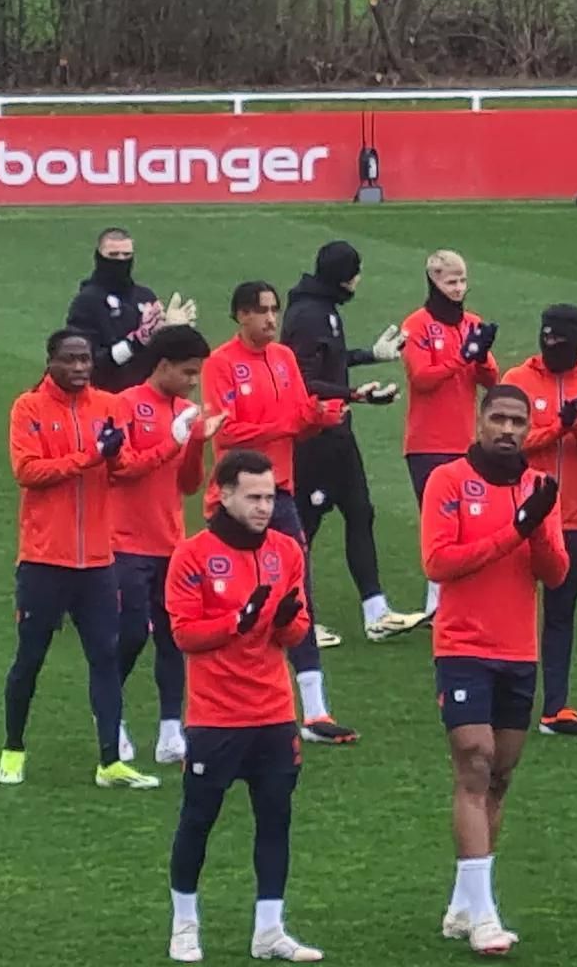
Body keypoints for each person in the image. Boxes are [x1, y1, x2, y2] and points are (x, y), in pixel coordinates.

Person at [421, 385, 568, 954]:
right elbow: (439, 562)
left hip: (517, 651)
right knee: (475, 762)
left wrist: (537, 528)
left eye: (517, 421)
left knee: (500, 775)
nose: (507, 430)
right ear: (480, 421)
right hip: (463, 646)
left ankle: (463, 903)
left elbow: (555, 575)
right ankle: (485, 914)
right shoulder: (449, 482)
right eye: (498, 418)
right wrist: (515, 530)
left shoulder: (536, 488)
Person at [165, 449, 323, 964]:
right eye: (253, 497)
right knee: (199, 819)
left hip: (275, 712)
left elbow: (296, 633)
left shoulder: (286, 550)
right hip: (216, 717)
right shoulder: (191, 555)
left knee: (275, 820)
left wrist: (285, 619)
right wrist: (239, 620)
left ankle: (270, 929)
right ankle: (185, 925)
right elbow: (185, 635)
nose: (263, 506)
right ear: (224, 494)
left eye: (270, 496)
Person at [0, 329, 161, 790]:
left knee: (106, 658)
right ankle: (13, 747)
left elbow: (122, 467)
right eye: (70, 359)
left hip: (96, 561)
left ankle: (110, 761)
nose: (80, 368)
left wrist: (169, 446)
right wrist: (92, 455)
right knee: (30, 658)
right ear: (50, 360)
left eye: (86, 359)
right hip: (44, 559)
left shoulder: (107, 406)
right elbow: (28, 472)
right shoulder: (28, 408)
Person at [202, 281, 357, 743]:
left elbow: (294, 418)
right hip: (231, 501)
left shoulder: (285, 358)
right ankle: (224, 705)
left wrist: (318, 416)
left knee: (297, 596)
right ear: (239, 316)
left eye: (274, 310)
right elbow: (228, 433)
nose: (271, 319)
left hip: (279, 493)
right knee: (231, 603)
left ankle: (315, 712)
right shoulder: (220, 364)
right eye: (260, 311)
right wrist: (293, 421)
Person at [281, 240, 422, 641]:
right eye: (356, 272)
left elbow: (331, 360)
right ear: (344, 275)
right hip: (315, 437)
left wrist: (370, 356)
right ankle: (299, 619)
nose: (359, 281)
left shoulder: (322, 309)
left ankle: (376, 613)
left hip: (339, 432)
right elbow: (303, 381)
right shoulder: (309, 315)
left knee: (361, 512)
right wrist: (355, 394)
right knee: (303, 528)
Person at [109, 325, 225, 766]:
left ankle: (170, 732)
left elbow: (190, 485)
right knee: (132, 632)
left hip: (170, 543)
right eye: (188, 372)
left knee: (174, 640)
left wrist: (196, 444)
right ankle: (111, 719)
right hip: (124, 542)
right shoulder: (124, 405)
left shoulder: (185, 411)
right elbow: (121, 470)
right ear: (162, 366)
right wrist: (171, 440)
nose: (194, 382)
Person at [501, 304, 577, 737]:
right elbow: (508, 444)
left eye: (560, 341)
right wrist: (557, 428)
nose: (551, 347)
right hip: (516, 517)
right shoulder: (517, 381)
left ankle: (555, 707)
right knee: (506, 609)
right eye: (546, 338)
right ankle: (495, 695)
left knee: (561, 615)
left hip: (570, 521)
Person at [401, 249, 500, 618]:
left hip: (466, 442)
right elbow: (422, 379)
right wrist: (462, 355)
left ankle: (463, 599)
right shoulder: (417, 325)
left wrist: (482, 355)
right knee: (438, 524)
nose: (458, 288)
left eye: (462, 281)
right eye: (450, 281)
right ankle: (436, 604)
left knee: (470, 522)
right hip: (426, 443)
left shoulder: (471, 323)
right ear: (433, 281)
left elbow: (491, 381)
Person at [65, 227, 196, 392]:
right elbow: (89, 363)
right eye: (113, 255)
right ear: (98, 257)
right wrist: (134, 342)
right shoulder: (87, 302)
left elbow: (161, 359)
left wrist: (174, 333)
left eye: (127, 255)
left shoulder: (144, 296)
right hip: (107, 398)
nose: (121, 260)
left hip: (144, 399)